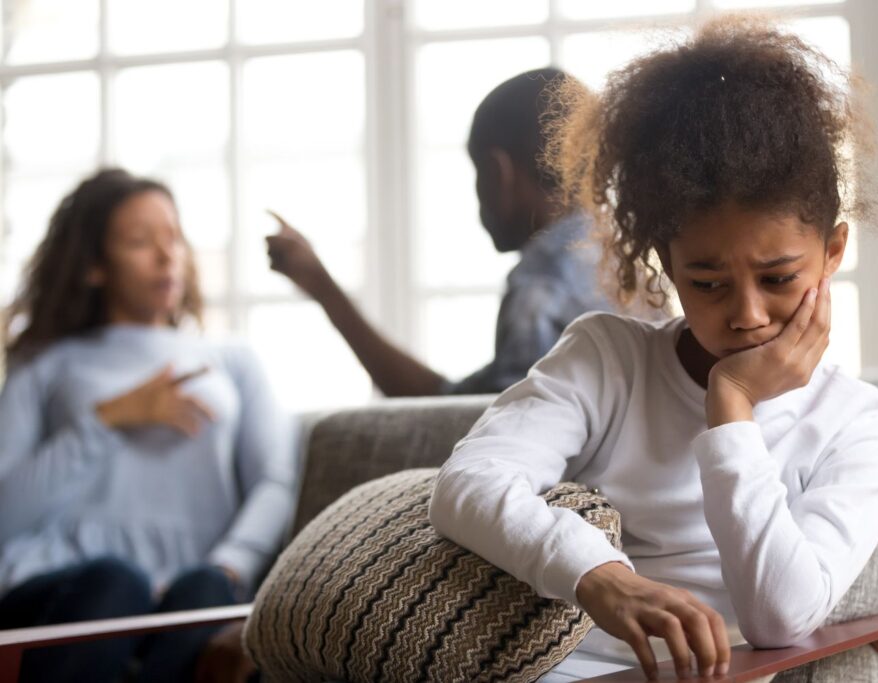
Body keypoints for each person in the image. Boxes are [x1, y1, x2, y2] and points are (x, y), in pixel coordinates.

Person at [429, 17, 878, 682]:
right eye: (706, 283)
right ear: (665, 263)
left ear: (832, 253)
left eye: (777, 278)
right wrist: (597, 573)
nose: (746, 314)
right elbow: (468, 483)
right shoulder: (606, 360)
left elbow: (780, 617)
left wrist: (731, 405)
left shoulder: (859, 424)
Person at [0, 169, 295, 683]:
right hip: (64, 586)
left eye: (174, 237)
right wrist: (110, 417)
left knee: (204, 590)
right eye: (140, 242)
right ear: (94, 266)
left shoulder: (232, 360)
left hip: (191, 588)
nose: (166, 256)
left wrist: (231, 563)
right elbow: (6, 514)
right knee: (117, 582)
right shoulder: (43, 361)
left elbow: (275, 480)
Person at [266, 67, 615, 397]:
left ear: (499, 172)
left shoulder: (540, 286)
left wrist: (323, 289)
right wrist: (322, 286)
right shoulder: (621, 264)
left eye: (477, 173)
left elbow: (485, 432)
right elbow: (452, 403)